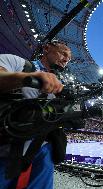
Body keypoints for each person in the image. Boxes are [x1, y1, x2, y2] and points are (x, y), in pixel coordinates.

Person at [0, 40, 71, 189]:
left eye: (69, 58)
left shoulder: (60, 87)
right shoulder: (17, 63)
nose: (66, 59)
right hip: (4, 155)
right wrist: (30, 78)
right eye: (63, 53)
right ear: (46, 48)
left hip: (40, 156)